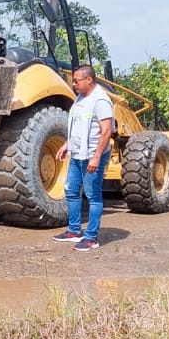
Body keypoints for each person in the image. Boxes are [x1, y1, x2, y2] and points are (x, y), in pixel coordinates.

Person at [52, 64, 114, 251]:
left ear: (89, 79)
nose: (74, 84)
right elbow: (77, 126)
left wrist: (96, 157)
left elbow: (106, 131)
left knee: (93, 195)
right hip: (76, 154)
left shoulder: (101, 100)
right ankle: (74, 231)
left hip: (92, 156)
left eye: (76, 80)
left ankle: (91, 237)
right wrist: (66, 144)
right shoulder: (79, 99)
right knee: (71, 191)